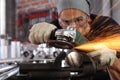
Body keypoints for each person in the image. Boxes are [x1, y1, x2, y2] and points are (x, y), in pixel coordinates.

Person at [28, 0, 120, 80]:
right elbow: (33, 38)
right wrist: (37, 32)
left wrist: (112, 61)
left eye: (79, 20)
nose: (72, 27)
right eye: (66, 21)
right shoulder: (55, 27)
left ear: (88, 17)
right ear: (59, 19)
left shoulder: (105, 25)